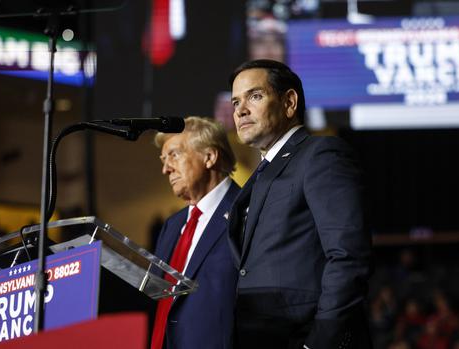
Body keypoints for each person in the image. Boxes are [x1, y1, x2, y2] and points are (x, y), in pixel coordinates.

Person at [228, 59, 372, 349]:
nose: (240, 110)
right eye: (235, 102)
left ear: (289, 102)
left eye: (254, 96)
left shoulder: (320, 156)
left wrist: (319, 342)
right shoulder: (261, 172)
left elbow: (348, 256)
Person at [151, 116, 240, 349]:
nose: (165, 168)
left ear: (209, 157)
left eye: (174, 155)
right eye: (163, 159)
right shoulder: (172, 225)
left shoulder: (247, 213)